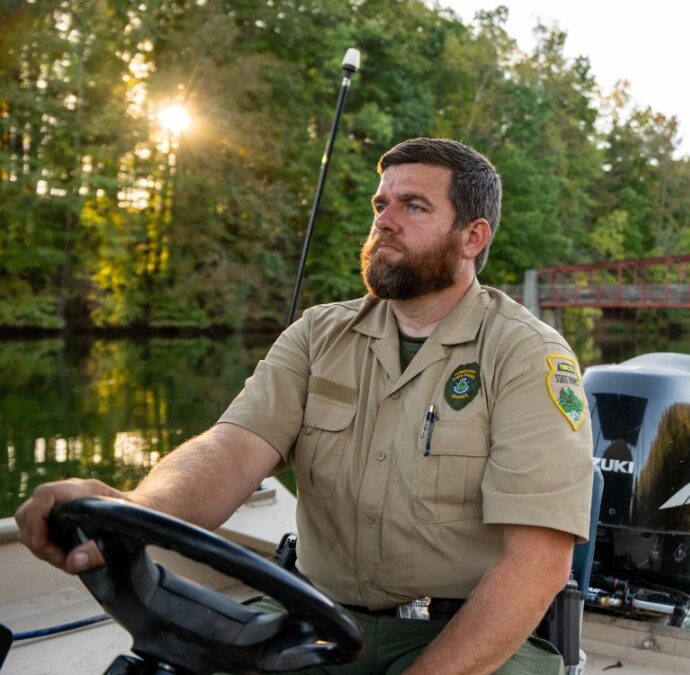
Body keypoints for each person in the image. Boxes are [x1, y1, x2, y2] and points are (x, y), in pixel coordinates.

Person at [15, 138, 595, 674]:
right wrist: (132, 506)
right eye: (381, 204)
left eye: (413, 206)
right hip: (317, 617)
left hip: (471, 631)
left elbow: (538, 564)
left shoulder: (526, 354)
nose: (384, 221)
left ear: (473, 237)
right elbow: (233, 450)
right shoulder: (318, 334)